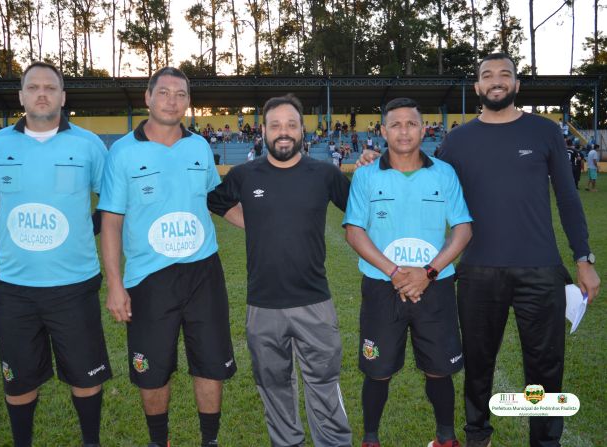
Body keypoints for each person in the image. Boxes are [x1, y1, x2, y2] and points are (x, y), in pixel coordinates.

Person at [357, 53, 600, 447]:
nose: (497, 81)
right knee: (478, 363)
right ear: (478, 87)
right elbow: (422, 170)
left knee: (545, 366)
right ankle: (476, 436)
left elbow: (569, 199)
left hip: (540, 269)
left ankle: (545, 439)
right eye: (488, 75)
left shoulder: (544, 132)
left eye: (505, 74)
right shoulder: (459, 139)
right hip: (478, 271)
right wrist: (376, 157)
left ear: (517, 85)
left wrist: (583, 258)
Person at [0, 61, 112, 447]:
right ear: (22, 96)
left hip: (75, 284)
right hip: (16, 288)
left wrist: (83, 229)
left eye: (50, 87)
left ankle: (90, 442)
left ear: (63, 97)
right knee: (18, 380)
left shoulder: (88, 145)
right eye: (33, 87)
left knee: (86, 377)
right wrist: (15, 232)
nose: (42, 93)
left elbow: (111, 203)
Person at [98, 67, 238, 447]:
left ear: (188, 102)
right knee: (152, 368)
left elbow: (217, 201)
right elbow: (110, 222)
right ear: (148, 98)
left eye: (180, 94)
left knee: (209, 363)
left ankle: (209, 440)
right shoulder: (123, 152)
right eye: (164, 93)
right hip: (149, 277)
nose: (172, 100)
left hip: (203, 272)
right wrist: (114, 284)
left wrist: (269, 227)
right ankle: (159, 442)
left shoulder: (198, 147)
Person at [208, 94, 353, 447]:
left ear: (303, 129)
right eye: (275, 125)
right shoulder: (244, 175)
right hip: (263, 307)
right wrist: (254, 223)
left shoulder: (325, 174)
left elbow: (359, 210)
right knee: (273, 387)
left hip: (314, 303)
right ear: (263, 130)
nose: (283, 132)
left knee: (324, 384)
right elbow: (216, 201)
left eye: (291, 125)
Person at [344, 98, 472, 447]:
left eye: (411, 123)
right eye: (396, 124)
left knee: (439, 368)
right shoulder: (366, 174)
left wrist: (427, 272)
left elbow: (462, 229)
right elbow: (354, 231)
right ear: (383, 131)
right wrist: (398, 272)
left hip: (436, 287)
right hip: (382, 288)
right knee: (378, 371)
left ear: (423, 128)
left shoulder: (444, 173)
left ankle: (446, 438)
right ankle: (371, 439)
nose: (404, 130)